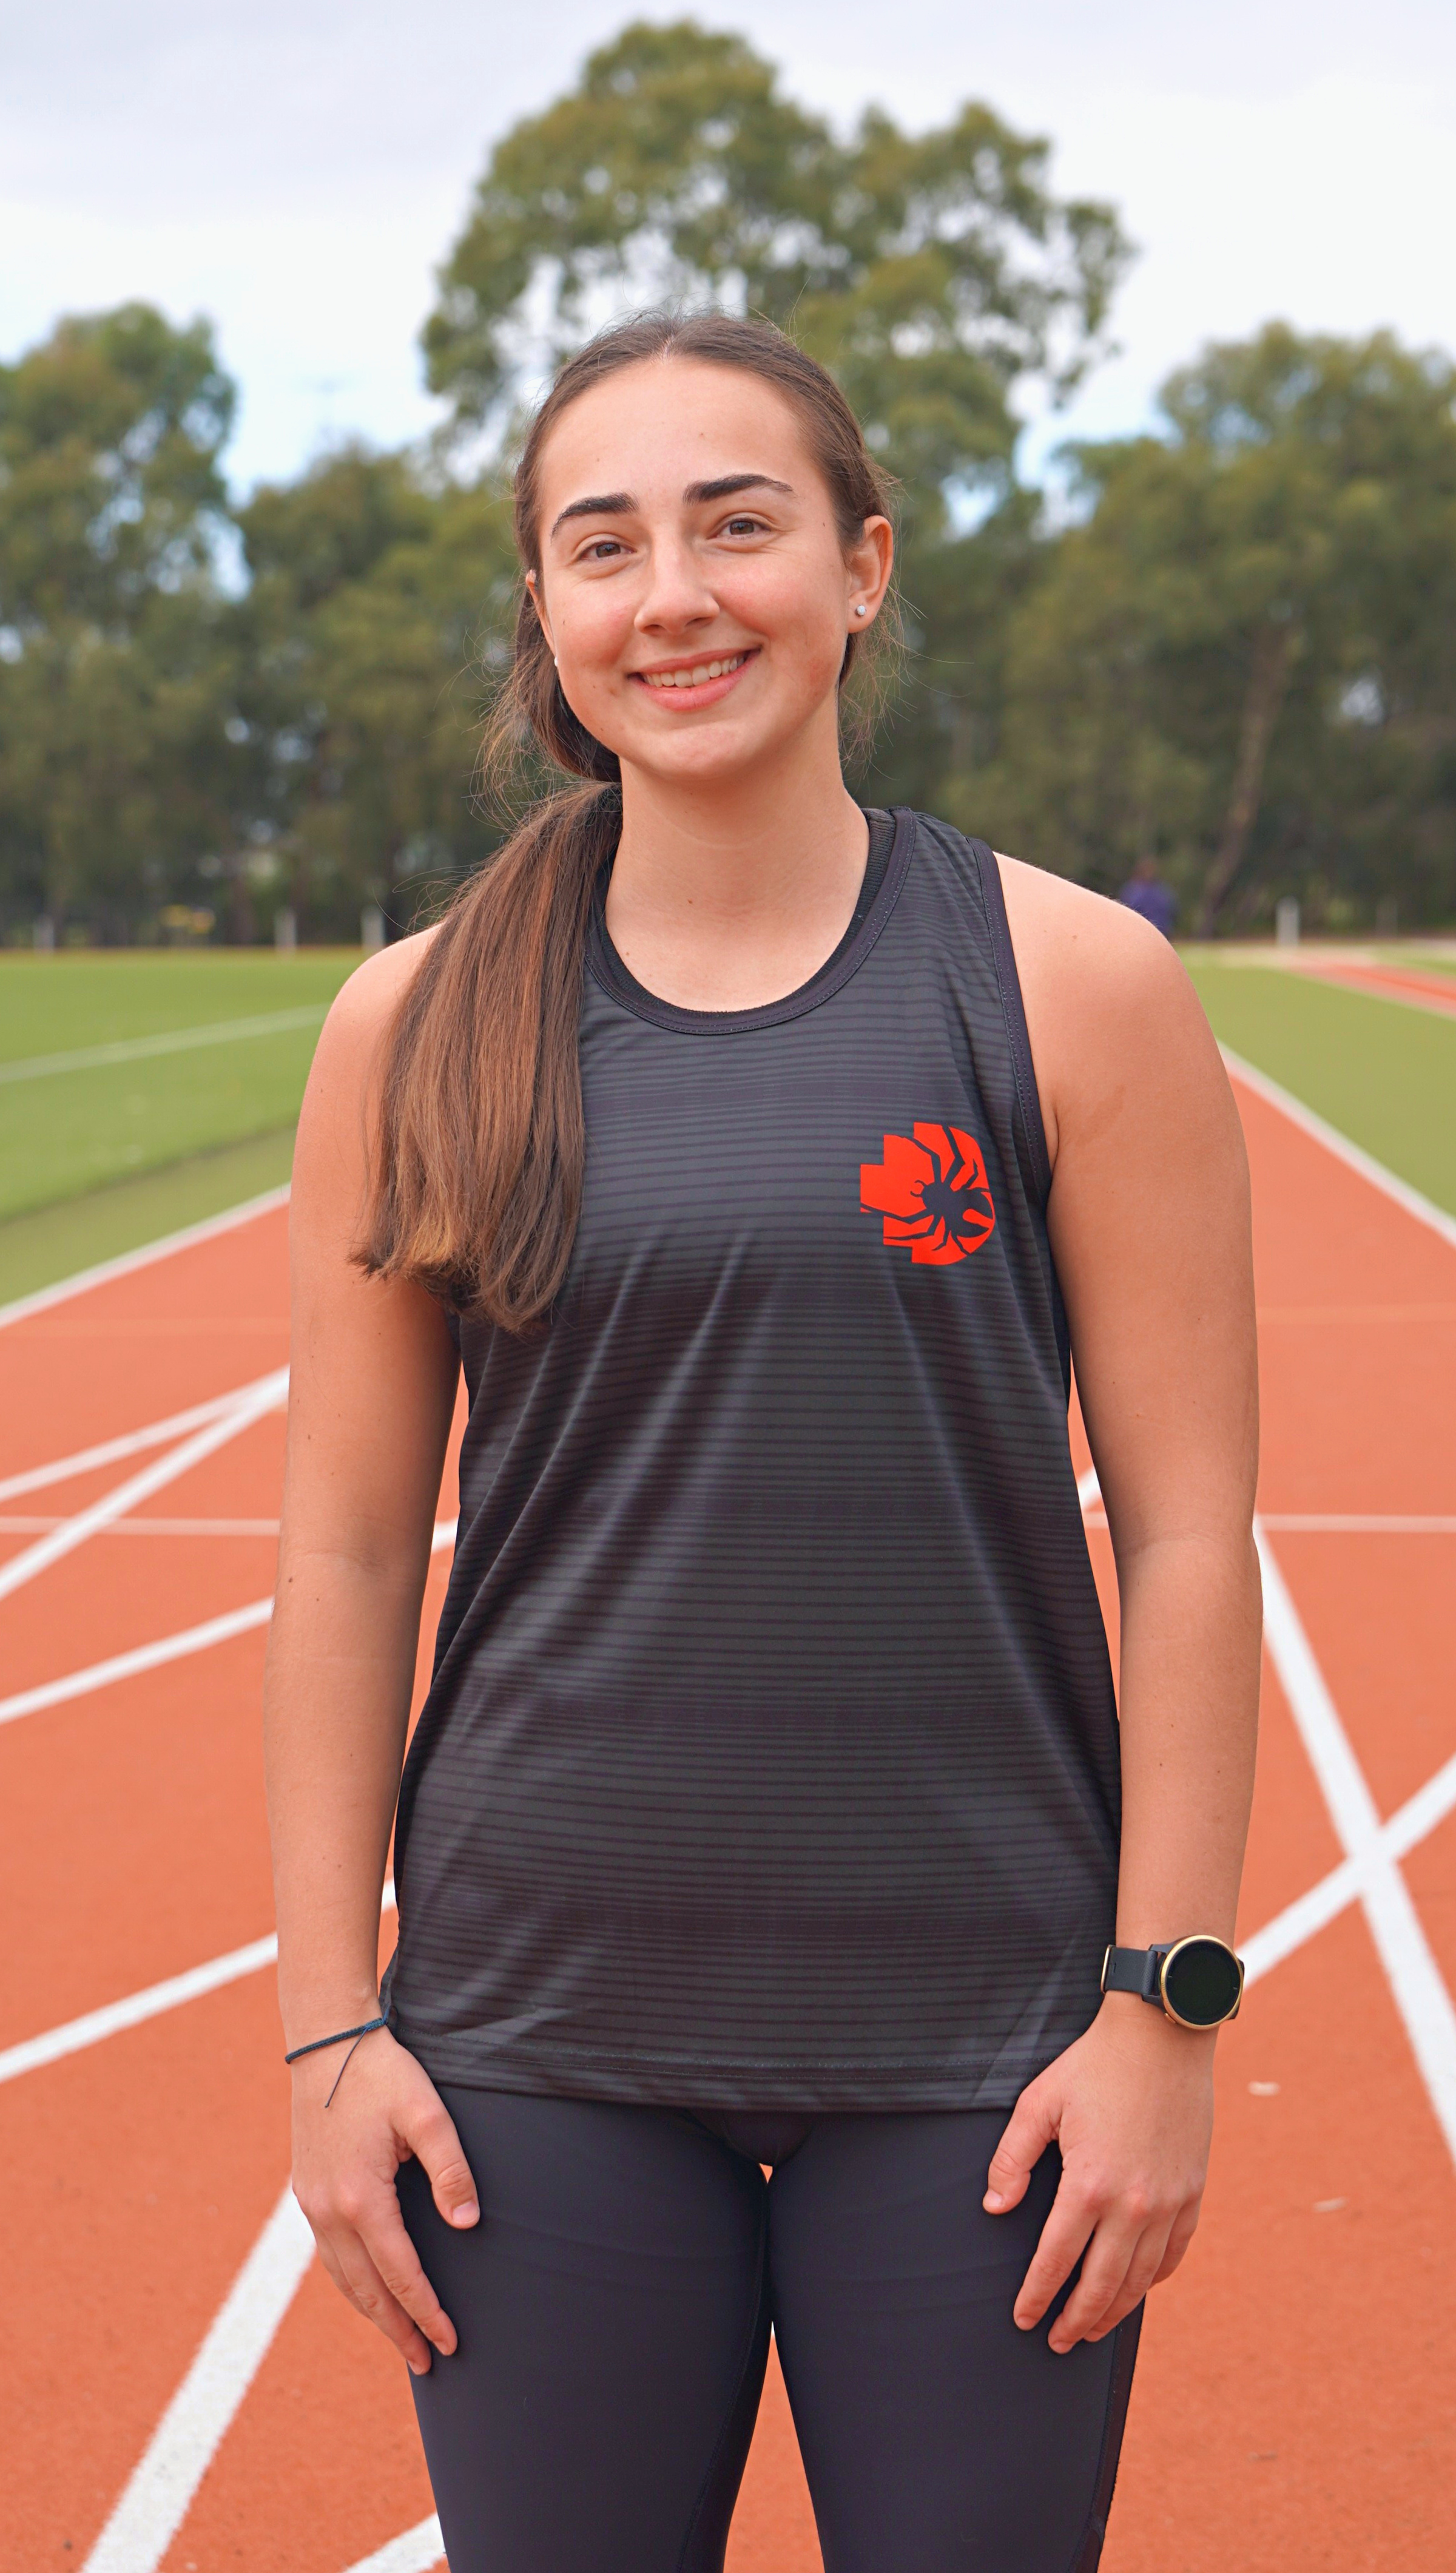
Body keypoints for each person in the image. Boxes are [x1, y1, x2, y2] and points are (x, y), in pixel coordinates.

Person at [265, 311, 1260, 2573]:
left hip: (991, 2058)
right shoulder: (414, 1023)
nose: (674, 596)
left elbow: (1191, 1531)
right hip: (539, 2046)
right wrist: (331, 2032)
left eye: (740, 524)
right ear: (543, 607)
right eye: (600, 544)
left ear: (864, 561)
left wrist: (1167, 2009)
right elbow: (339, 1562)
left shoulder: (1072, 981)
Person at [1118, 854, 1177, 938]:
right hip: (1138, 933)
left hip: (1161, 932)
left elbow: (1172, 910)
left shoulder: (1162, 891)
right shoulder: (1132, 891)